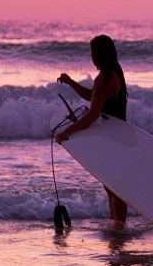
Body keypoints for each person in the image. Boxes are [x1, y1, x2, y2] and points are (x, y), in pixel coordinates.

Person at [55, 34, 130, 224]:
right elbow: (93, 97)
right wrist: (71, 82)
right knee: (113, 186)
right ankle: (116, 225)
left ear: (98, 54)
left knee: (115, 187)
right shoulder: (116, 73)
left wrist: (67, 132)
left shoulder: (103, 78)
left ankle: (118, 229)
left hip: (112, 137)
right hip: (120, 134)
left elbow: (93, 114)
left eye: (91, 52)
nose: (91, 56)